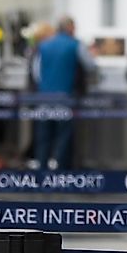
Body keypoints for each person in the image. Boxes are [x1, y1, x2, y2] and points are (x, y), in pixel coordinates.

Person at [31, 16, 97, 170]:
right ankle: (61, 174)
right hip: (67, 99)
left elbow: (36, 72)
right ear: (71, 28)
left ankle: (42, 172)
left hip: (44, 99)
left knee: (44, 137)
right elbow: (91, 66)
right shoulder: (76, 45)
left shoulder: (43, 46)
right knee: (64, 137)